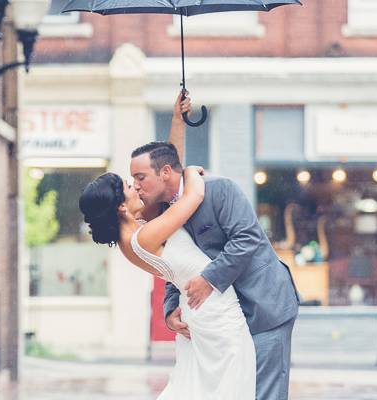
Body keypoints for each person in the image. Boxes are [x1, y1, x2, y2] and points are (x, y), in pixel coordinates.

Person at [79, 92, 256, 399]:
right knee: (228, 387)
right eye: (128, 186)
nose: (135, 186)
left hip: (201, 309)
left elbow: (165, 173)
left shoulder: (135, 232)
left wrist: (177, 120)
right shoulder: (143, 236)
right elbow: (191, 196)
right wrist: (188, 171)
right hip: (214, 312)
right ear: (120, 208)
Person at [130, 98, 301, 400]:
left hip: (264, 307)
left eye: (140, 178)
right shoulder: (167, 214)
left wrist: (209, 278)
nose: (137, 186)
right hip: (222, 323)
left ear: (166, 172)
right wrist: (170, 308)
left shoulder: (220, 189)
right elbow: (178, 266)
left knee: (263, 394)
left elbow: (247, 239)